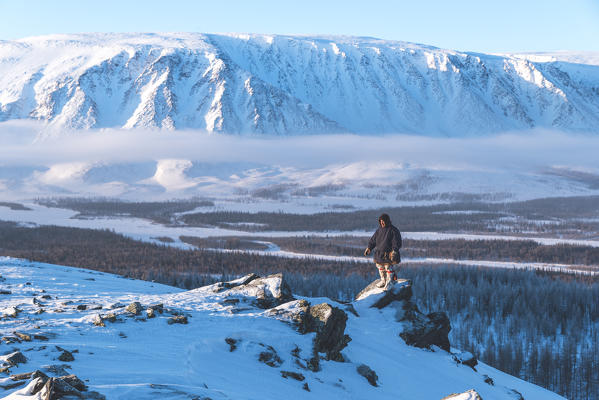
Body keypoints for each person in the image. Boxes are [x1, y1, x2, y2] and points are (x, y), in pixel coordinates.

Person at [364, 213, 402, 290]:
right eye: (381, 221)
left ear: (387, 221)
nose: (382, 223)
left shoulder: (393, 230)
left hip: (389, 253)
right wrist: (369, 248)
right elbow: (373, 240)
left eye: (383, 221)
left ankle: (390, 283)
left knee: (388, 267)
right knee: (380, 267)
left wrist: (394, 250)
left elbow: (396, 242)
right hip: (379, 253)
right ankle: (383, 280)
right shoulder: (379, 230)